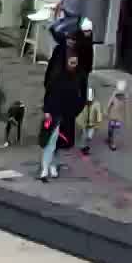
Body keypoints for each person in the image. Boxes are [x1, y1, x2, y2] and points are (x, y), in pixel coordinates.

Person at [40, 49, 85, 181]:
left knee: (59, 143)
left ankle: (53, 165)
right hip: (54, 114)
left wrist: (75, 111)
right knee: (50, 142)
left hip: (67, 116)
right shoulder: (57, 76)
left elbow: (81, 97)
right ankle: (45, 169)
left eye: (75, 63)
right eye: (71, 62)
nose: (73, 65)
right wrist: (47, 111)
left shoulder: (79, 77)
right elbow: (48, 94)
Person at [104, 80, 129, 151]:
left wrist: (107, 111)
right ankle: (110, 140)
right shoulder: (120, 96)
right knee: (112, 129)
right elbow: (110, 104)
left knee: (113, 130)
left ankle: (112, 143)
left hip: (115, 117)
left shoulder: (121, 96)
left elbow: (109, 104)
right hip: (115, 117)